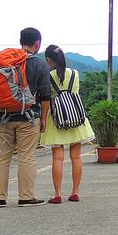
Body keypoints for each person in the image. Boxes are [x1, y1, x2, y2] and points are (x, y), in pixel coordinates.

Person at [0, 27, 51, 207]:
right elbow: (45, 95)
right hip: (29, 118)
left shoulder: (5, 61)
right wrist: (43, 118)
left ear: (21, 41)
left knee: (1, 157)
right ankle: (26, 197)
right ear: (37, 43)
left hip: (2, 116)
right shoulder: (39, 63)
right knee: (26, 156)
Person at [40, 45, 95, 204]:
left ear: (49, 60)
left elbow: (46, 97)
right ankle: (75, 192)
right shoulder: (75, 74)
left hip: (56, 119)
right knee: (76, 156)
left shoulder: (48, 76)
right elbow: (75, 93)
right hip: (75, 117)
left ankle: (57, 194)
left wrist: (43, 117)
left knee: (57, 158)